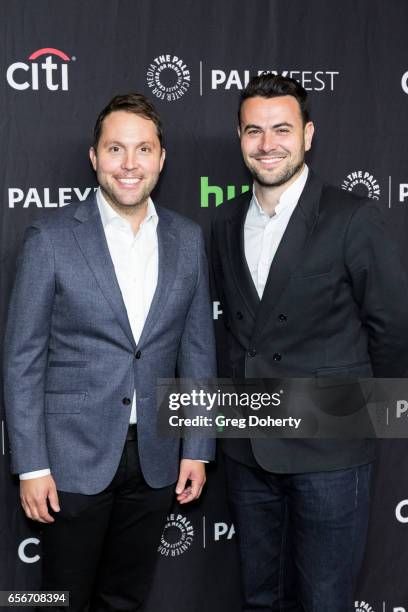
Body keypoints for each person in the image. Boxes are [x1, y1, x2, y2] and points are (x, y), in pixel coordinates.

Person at [4, 93, 216, 612]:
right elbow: (22, 358)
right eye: (116, 148)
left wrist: (198, 446)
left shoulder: (187, 240)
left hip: (155, 458)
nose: (129, 163)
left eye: (143, 149)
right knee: (62, 599)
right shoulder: (50, 240)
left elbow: (198, 352)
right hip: (70, 459)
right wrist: (30, 466)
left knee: (125, 598)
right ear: (94, 157)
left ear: (161, 159)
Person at [211, 73, 408, 611]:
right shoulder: (224, 224)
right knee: (259, 598)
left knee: (325, 600)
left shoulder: (353, 218)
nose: (267, 144)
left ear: (309, 134)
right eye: (254, 131)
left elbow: (392, 330)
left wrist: (366, 415)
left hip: (332, 447)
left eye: (281, 129)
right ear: (240, 137)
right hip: (249, 445)